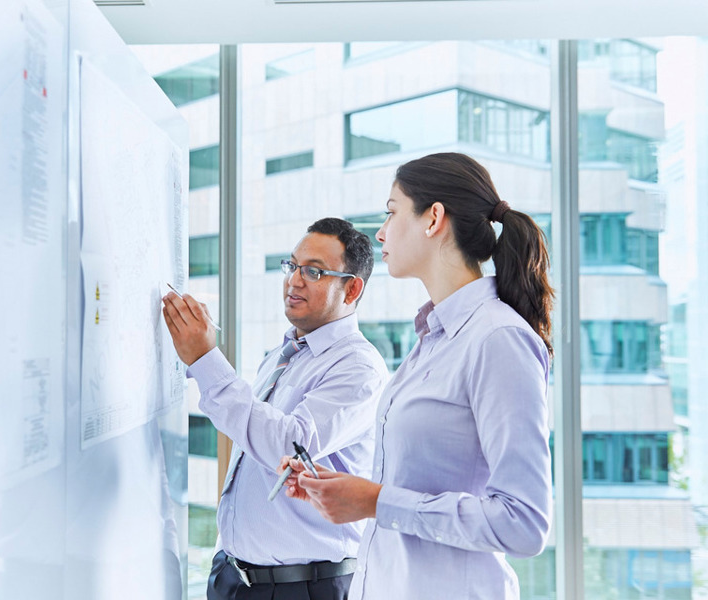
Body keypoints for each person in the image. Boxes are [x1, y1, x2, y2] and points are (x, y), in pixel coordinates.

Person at [281, 153, 554, 599]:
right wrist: (342, 492)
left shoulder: (497, 339)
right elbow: (414, 488)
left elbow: (523, 523)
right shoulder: (433, 337)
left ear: (433, 220)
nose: (381, 232)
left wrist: (375, 500)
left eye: (391, 212)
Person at [161, 217, 389, 600]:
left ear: (351, 289)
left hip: (300, 587)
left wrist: (205, 360)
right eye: (292, 265)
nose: (294, 280)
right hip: (233, 577)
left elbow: (289, 444)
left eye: (314, 271)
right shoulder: (284, 354)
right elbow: (249, 432)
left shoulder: (359, 368)